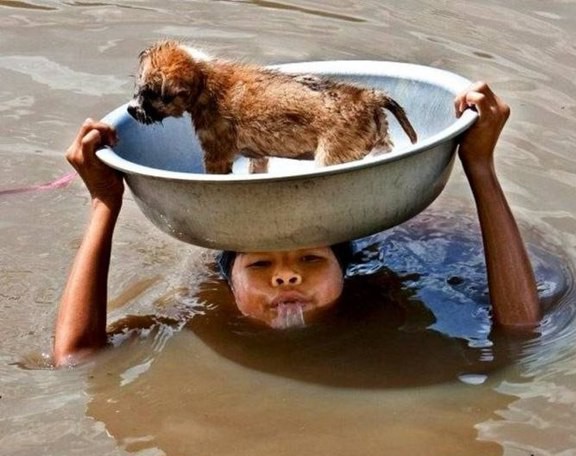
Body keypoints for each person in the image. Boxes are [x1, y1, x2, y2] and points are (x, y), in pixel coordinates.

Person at [53, 82, 541, 367]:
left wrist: (480, 167)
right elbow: (76, 357)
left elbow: (520, 330)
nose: (286, 276)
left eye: (311, 258)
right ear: (228, 281)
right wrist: (104, 204)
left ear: (346, 269)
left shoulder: (385, 299)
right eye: (260, 263)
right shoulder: (201, 314)